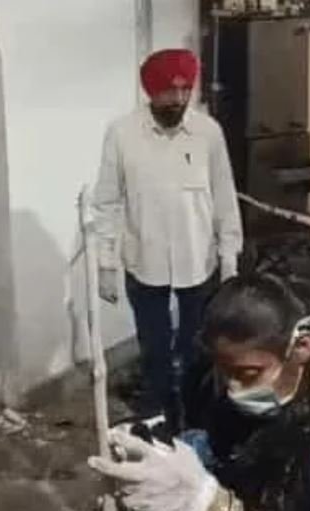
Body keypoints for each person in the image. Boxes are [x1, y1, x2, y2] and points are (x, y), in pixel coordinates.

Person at [89, 272, 310, 511]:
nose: (233, 388)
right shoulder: (234, 416)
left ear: (301, 348)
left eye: (248, 374)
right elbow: (207, 449)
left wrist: (216, 503)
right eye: (225, 373)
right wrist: (155, 453)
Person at [93, 49, 243, 423]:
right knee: (154, 347)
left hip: (199, 259)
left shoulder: (208, 132)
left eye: (185, 89)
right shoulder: (122, 134)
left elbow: (224, 197)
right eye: (168, 90)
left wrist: (229, 258)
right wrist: (106, 265)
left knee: (198, 345)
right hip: (144, 260)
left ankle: (195, 413)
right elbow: (107, 202)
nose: (178, 98)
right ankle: (158, 412)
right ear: (150, 90)